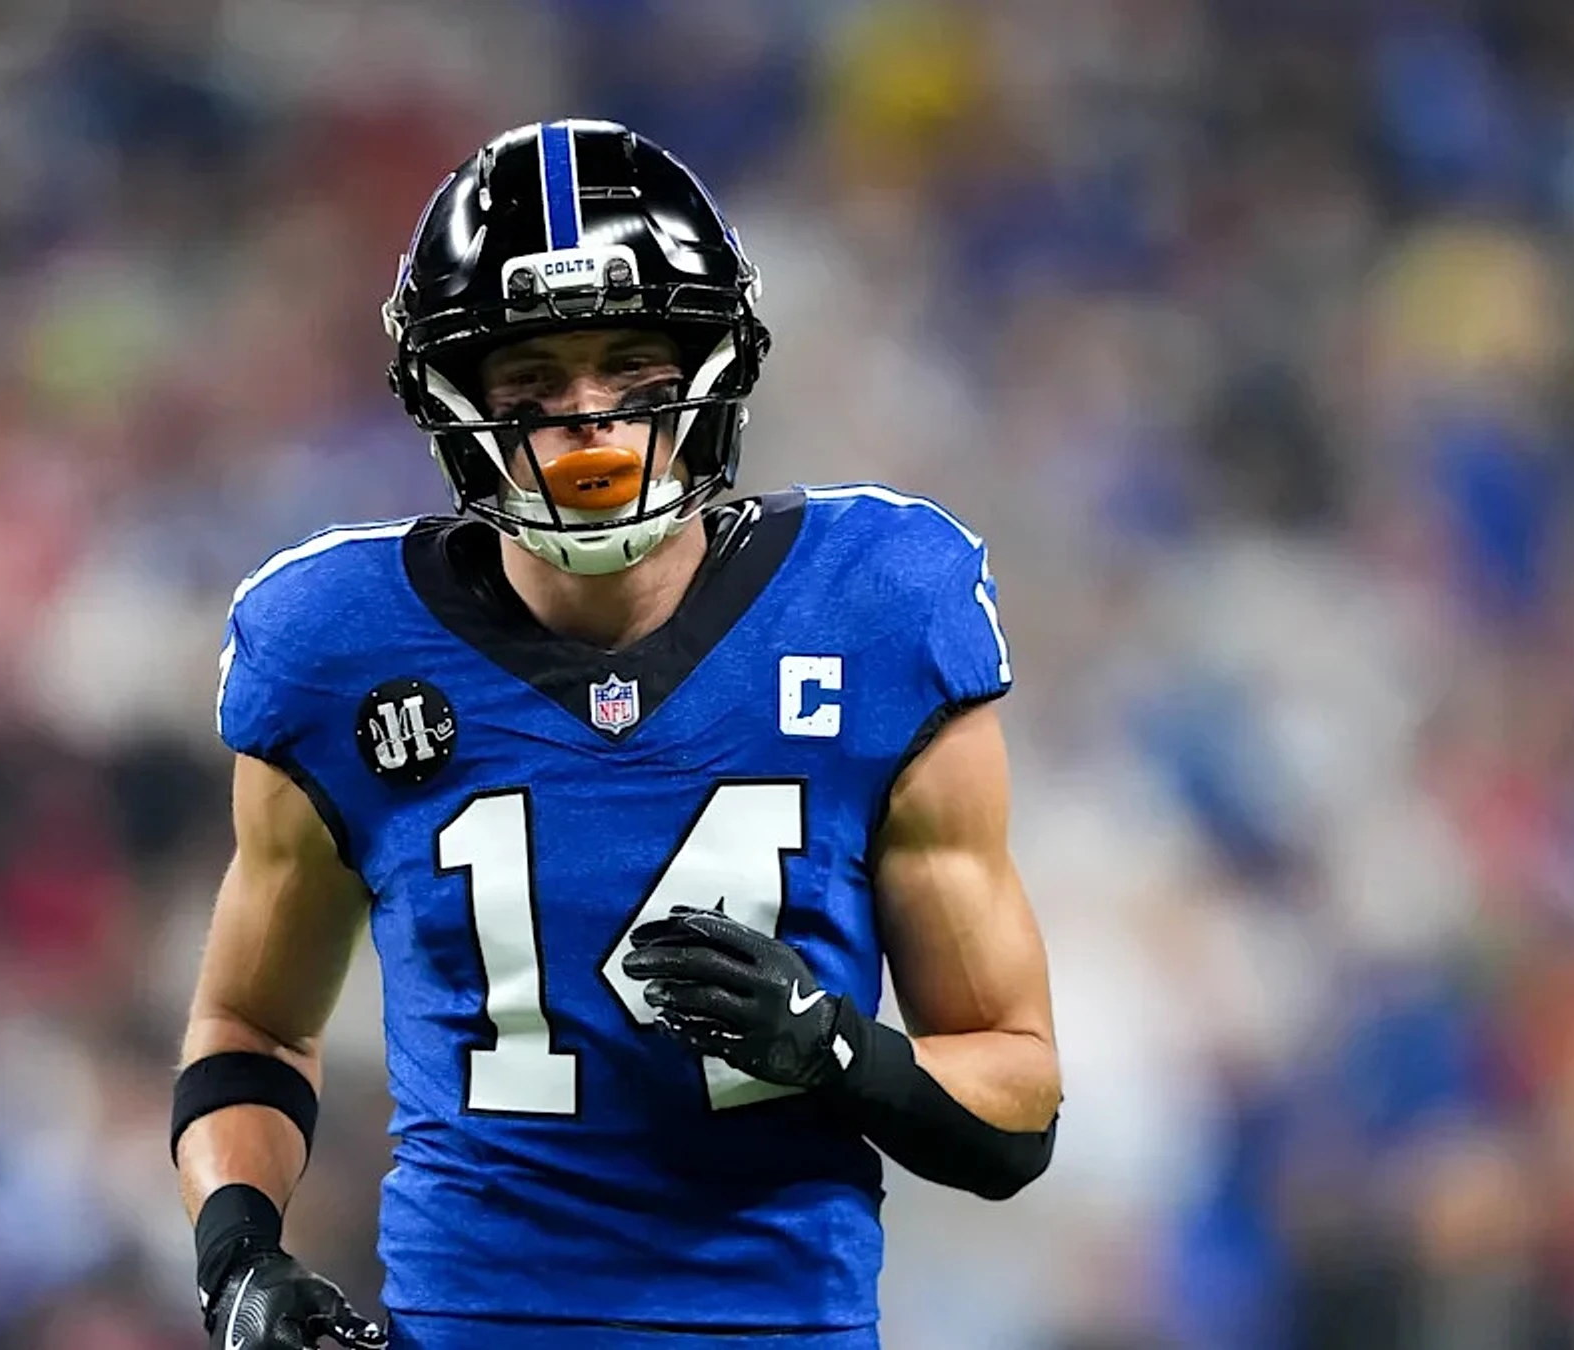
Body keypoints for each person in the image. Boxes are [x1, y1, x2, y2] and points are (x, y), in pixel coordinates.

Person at [172, 119, 1063, 1350]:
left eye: (633, 370)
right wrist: (238, 1261)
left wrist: (837, 1049)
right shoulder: (336, 647)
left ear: (709, 369)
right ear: (454, 399)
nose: (588, 418)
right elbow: (253, 1029)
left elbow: (1017, 1106)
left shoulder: (878, 607)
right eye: (532, 382)